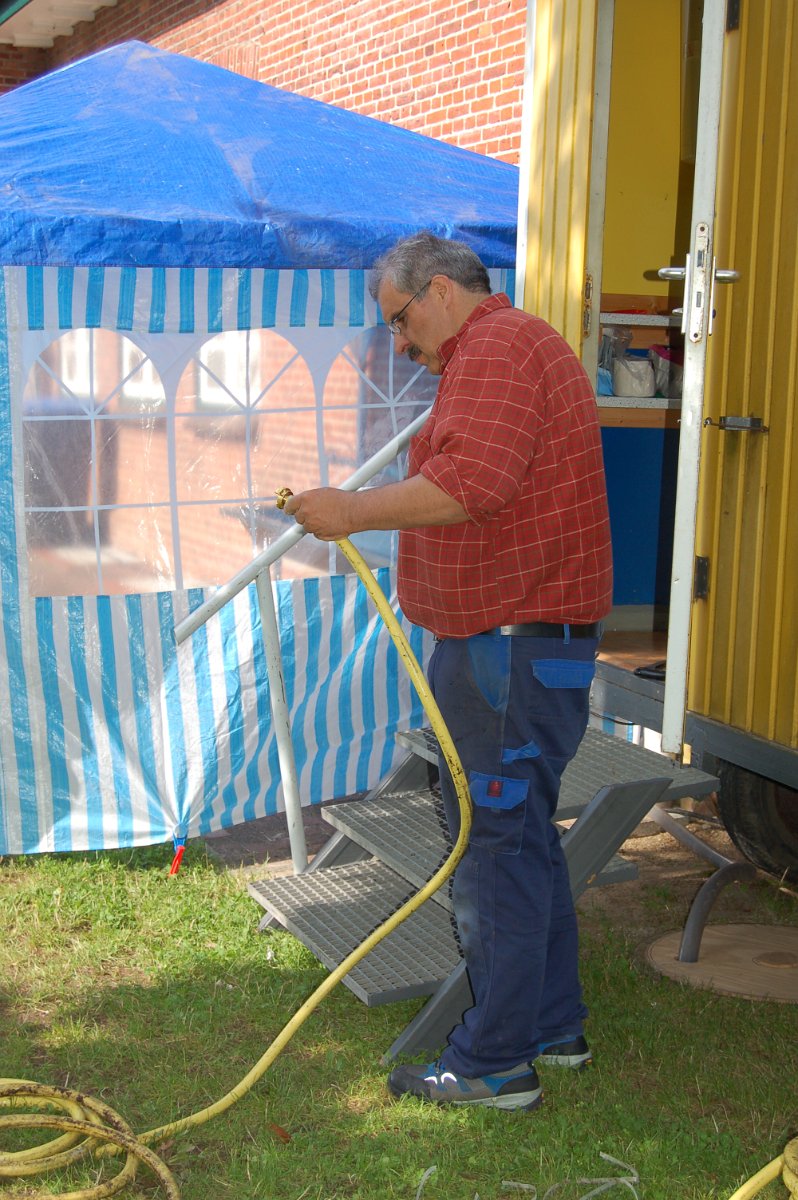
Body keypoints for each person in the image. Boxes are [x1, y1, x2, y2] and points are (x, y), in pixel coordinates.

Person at [283, 232, 613, 1113]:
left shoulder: (500, 347)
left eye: (399, 322)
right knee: (524, 835)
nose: (400, 345)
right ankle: (550, 1024)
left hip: (506, 651)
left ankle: (493, 1065)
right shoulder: (506, 349)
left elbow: (478, 483)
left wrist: (349, 510)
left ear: (438, 291)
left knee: (493, 845)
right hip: (519, 646)